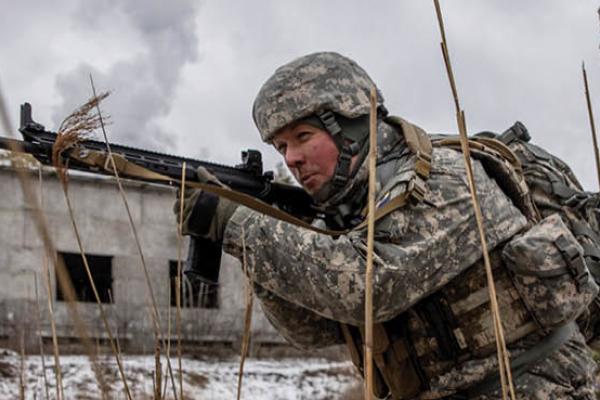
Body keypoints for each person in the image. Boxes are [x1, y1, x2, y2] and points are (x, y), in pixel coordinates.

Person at [176, 52, 597, 399]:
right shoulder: (358, 213)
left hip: (533, 387)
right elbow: (312, 328)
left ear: (355, 126)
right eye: (282, 146)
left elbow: (368, 286)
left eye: (303, 136)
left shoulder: (445, 179)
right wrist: (260, 237)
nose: (291, 159)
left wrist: (240, 225)